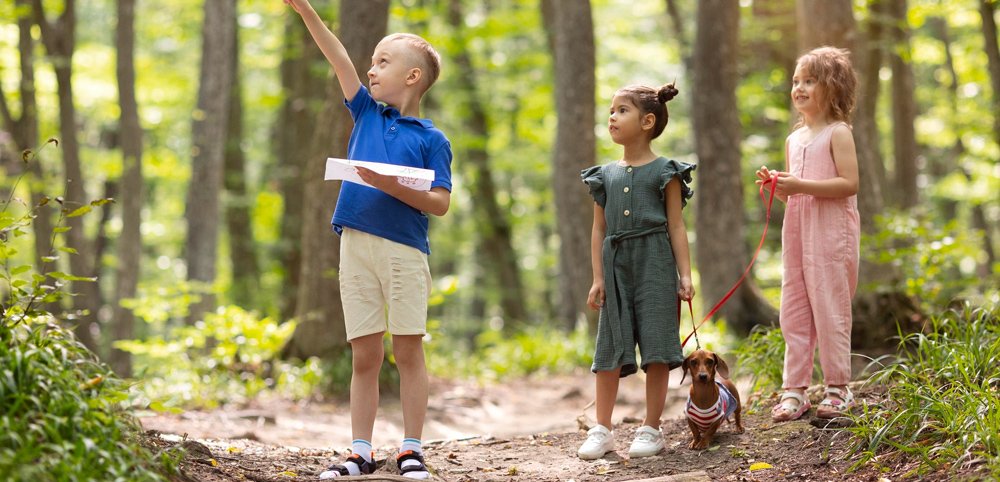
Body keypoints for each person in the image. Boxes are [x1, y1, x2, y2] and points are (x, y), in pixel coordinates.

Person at [284, 0, 452, 478]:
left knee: (407, 349)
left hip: (403, 251)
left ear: (413, 77)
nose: (370, 70)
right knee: (364, 352)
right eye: (372, 62)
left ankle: (412, 448)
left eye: (383, 62)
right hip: (354, 246)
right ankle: (360, 451)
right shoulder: (366, 114)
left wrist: (390, 185)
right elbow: (337, 57)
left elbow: (439, 203)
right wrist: (307, 13)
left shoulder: (432, 139)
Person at [579, 82, 695, 460]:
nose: (612, 117)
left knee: (659, 344)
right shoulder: (604, 174)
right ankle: (602, 428)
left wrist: (686, 275)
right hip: (615, 265)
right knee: (609, 344)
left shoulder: (667, 171)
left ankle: (651, 428)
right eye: (611, 110)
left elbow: (676, 225)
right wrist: (598, 277)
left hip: (656, 262)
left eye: (621, 110)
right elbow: (598, 228)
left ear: (647, 121)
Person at [756, 46, 860, 422]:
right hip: (798, 230)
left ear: (831, 87)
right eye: (796, 80)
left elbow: (849, 183)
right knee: (794, 305)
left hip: (831, 234)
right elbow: (797, 192)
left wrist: (801, 185)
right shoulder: (793, 139)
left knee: (831, 306)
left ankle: (838, 388)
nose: (798, 87)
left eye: (810, 81)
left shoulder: (838, 132)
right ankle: (795, 390)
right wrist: (781, 188)